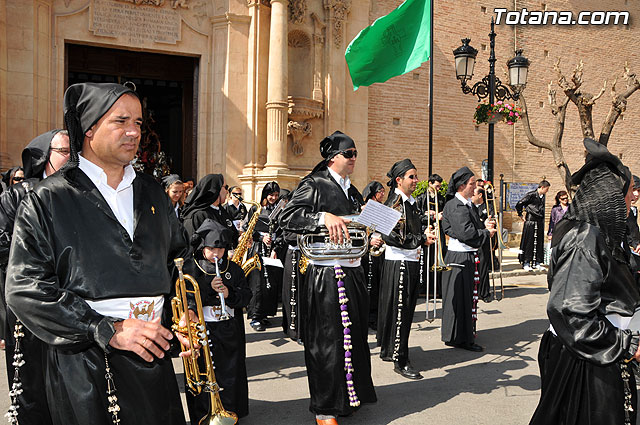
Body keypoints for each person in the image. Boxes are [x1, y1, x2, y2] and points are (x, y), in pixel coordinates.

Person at [5, 82, 193, 425]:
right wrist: (105, 328)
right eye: (121, 121)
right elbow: (24, 288)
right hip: (86, 368)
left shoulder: (153, 191)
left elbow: (179, 262)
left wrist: (184, 314)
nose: (134, 132)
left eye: (138, 122)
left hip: (155, 361)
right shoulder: (48, 199)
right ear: (89, 128)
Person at [529, 138, 640, 425]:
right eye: (628, 194)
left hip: (594, 352)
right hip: (583, 358)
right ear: (611, 196)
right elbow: (570, 311)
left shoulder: (597, 232)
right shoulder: (584, 238)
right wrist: (626, 345)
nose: (632, 199)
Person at [279, 130, 376, 425]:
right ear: (333, 158)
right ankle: (324, 409)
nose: (354, 158)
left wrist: (373, 231)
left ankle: (346, 398)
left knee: (353, 337)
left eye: (356, 153)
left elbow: (359, 222)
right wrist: (323, 217)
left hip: (352, 270)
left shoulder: (352, 190)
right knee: (327, 341)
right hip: (326, 272)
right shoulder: (314, 183)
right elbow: (285, 218)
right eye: (350, 154)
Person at [0, 129, 70, 425]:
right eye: (65, 151)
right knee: (31, 383)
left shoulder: (79, 194)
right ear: (44, 156)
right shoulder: (16, 195)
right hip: (30, 304)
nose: (73, 158)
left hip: (72, 304)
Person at [183, 219, 251, 421]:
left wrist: (229, 293)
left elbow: (246, 296)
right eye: (212, 249)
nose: (217, 254)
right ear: (203, 247)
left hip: (229, 329)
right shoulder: (192, 268)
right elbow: (186, 299)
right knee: (204, 372)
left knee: (230, 373)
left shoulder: (234, 268)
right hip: (203, 329)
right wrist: (207, 290)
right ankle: (204, 414)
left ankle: (230, 412)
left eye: (221, 249)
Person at [377, 159, 435, 380]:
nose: (416, 181)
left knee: (399, 311)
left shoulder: (408, 202)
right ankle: (400, 360)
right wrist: (423, 239)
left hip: (406, 261)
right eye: (412, 177)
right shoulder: (394, 203)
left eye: (416, 176)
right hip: (400, 263)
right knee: (402, 312)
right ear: (398, 180)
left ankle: (390, 350)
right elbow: (392, 236)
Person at [440, 167, 496, 352]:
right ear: (462, 185)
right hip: (459, 257)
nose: (475, 187)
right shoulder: (455, 205)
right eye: (472, 184)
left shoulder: (466, 205)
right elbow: (466, 233)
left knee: (466, 299)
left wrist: (484, 226)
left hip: (466, 255)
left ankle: (461, 335)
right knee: (460, 299)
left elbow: (470, 228)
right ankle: (461, 338)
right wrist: (485, 232)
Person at [245, 181, 283, 332]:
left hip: (272, 251)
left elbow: (281, 231)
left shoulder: (279, 210)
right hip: (257, 250)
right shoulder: (256, 209)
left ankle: (265, 313)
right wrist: (261, 238)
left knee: (270, 284)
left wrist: (276, 245)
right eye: (271, 194)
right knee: (257, 284)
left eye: (276, 195)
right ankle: (255, 316)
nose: (273, 197)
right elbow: (248, 229)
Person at [181, 174, 239, 247]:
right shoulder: (197, 215)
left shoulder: (222, 211)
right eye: (225, 187)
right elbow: (191, 245)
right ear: (215, 189)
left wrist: (240, 239)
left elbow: (232, 235)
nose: (227, 192)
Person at [417, 174, 447, 297]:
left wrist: (440, 215)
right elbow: (418, 217)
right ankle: (424, 289)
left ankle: (437, 288)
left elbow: (445, 214)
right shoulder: (421, 198)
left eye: (440, 186)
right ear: (430, 183)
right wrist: (431, 216)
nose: (438, 189)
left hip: (438, 230)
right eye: (436, 186)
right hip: (426, 230)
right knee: (425, 260)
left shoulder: (441, 198)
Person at [361, 181, 385, 330]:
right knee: (370, 285)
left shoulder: (382, 208)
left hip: (380, 250)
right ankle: (369, 316)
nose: (383, 194)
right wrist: (370, 240)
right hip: (368, 252)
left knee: (378, 283)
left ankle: (376, 315)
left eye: (383, 191)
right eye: (380, 191)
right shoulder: (365, 208)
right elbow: (362, 230)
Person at [516, 180, 550, 271]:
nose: (547, 191)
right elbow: (519, 203)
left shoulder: (542, 197)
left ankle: (536, 262)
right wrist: (520, 214)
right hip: (530, 221)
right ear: (542, 187)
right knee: (529, 242)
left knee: (538, 242)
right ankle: (526, 261)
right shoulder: (531, 195)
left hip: (539, 222)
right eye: (546, 189)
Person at [471, 186, 492, 301]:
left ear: (480, 195)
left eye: (473, 194)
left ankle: (484, 293)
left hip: (483, 241)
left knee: (483, 267)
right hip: (473, 240)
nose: (471, 196)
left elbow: (490, 219)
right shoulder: (470, 207)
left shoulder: (488, 206)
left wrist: (485, 222)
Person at [626, 176, 640, 253]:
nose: (637, 194)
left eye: (639, 191)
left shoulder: (633, 210)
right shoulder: (620, 212)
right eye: (634, 190)